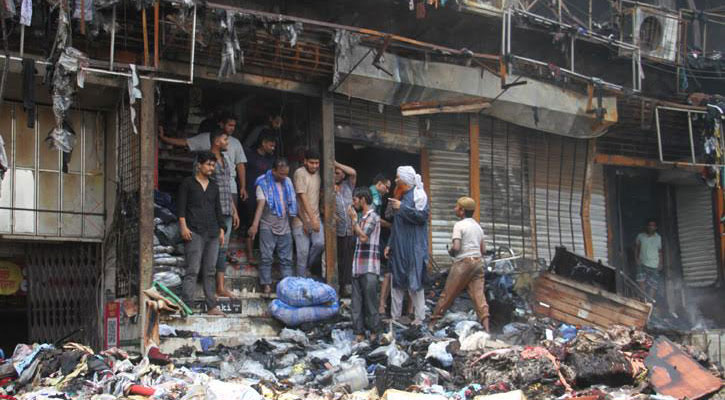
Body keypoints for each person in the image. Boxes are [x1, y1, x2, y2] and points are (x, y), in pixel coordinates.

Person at [177, 151, 226, 316]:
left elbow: (218, 210)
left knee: (210, 270)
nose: (211, 168)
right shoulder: (188, 183)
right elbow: (181, 207)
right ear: (199, 165)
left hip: (212, 232)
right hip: (194, 231)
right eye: (208, 164)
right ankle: (186, 305)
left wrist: (221, 230)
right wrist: (183, 226)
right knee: (193, 269)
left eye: (213, 165)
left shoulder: (214, 187)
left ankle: (212, 306)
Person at [430, 197, 489, 331]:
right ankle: (487, 329)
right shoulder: (478, 227)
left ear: (462, 211)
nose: (454, 209)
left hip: (463, 263)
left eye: (457, 207)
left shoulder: (459, 225)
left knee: (447, 294)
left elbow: (456, 247)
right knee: (479, 297)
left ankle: (432, 324)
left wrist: (451, 251)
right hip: (478, 263)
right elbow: (483, 250)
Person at [159, 112, 249, 201]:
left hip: (230, 188)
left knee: (231, 214)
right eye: (230, 125)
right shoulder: (205, 138)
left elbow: (240, 165)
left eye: (234, 126)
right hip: (207, 190)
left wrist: (243, 187)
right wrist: (164, 138)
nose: (232, 128)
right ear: (221, 124)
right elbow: (184, 142)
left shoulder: (236, 143)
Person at [384, 166, 429, 326]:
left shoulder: (419, 196)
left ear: (405, 180)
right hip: (399, 246)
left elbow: (422, 217)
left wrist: (402, 208)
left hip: (414, 247)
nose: (395, 180)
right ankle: (395, 317)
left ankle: (420, 317)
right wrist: (389, 244)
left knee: (415, 281)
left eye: (397, 178)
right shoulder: (400, 196)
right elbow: (396, 224)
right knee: (397, 281)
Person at [248, 157, 297, 294]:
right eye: (281, 174)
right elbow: (261, 205)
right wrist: (254, 225)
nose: (284, 177)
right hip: (267, 225)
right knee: (266, 257)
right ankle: (266, 285)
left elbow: (291, 205)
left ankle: (287, 287)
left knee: (287, 259)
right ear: (274, 171)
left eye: (286, 174)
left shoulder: (288, 182)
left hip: (284, 225)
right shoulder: (262, 183)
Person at [208, 129, 240, 298]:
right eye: (225, 139)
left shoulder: (226, 160)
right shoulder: (207, 161)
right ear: (216, 141)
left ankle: (220, 287)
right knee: (212, 248)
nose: (228, 142)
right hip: (213, 211)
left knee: (223, 249)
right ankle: (210, 287)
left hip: (227, 209)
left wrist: (234, 210)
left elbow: (227, 188)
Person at [347, 187, 382, 342]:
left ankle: (374, 332)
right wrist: (355, 221)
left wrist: (354, 220)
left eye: (355, 200)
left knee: (370, 301)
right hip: (358, 266)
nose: (354, 203)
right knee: (356, 302)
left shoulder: (373, 217)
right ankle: (359, 332)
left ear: (362, 199)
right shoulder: (362, 218)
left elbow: (363, 238)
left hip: (369, 266)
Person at [242, 130, 277, 266]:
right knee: (251, 223)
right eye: (271, 145)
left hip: (266, 196)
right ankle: (250, 254)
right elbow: (242, 171)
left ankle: (265, 254)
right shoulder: (250, 155)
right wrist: (243, 188)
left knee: (265, 224)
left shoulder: (272, 160)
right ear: (263, 143)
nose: (273, 148)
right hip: (251, 194)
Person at [292, 148, 324, 278]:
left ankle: (307, 268)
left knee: (320, 243)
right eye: (312, 163)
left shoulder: (317, 175)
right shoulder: (300, 173)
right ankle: (300, 282)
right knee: (302, 253)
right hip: (300, 220)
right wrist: (308, 221)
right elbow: (301, 198)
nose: (315, 166)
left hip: (315, 218)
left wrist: (316, 219)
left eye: (317, 163)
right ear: (305, 161)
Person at [335, 161, 357, 297]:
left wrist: (336, 163)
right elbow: (322, 207)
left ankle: (347, 287)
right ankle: (338, 286)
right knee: (339, 260)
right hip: (337, 231)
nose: (336, 175)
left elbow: (353, 172)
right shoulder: (328, 187)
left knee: (349, 260)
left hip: (350, 230)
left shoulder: (348, 185)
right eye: (334, 173)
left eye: (338, 173)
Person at [635, 218, 663, 301]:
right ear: (647, 227)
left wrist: (660, 263)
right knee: (641, 281)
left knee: (653, 285)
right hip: (642, 262)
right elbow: (636, 248)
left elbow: (660, 251)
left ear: (656, 227)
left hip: (654, 264)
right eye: (650, 225)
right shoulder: (640, 236)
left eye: (653, 226)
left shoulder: (658, 238)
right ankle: (643, 299)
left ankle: (650, 301)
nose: (651, 227)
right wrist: (636, 258)